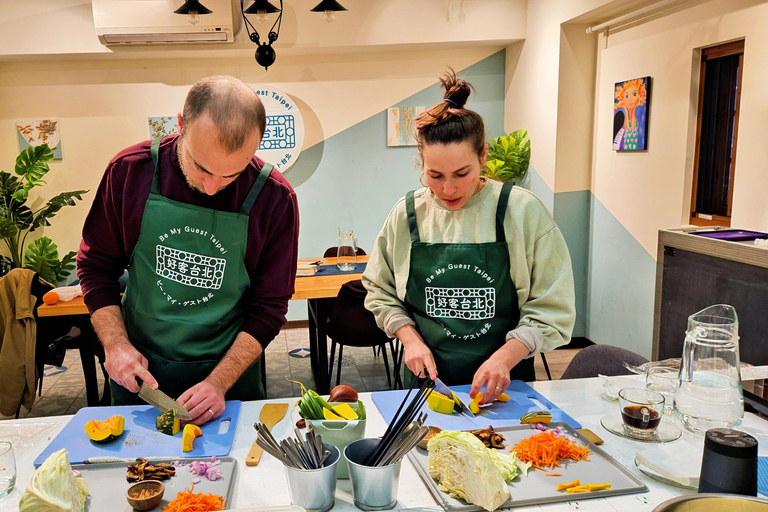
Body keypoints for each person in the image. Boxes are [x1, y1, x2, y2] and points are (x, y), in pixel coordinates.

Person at [77, 75, 299, 424]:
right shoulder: (129, 173)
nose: (212, 188)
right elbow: (96, 268)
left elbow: (269, 308)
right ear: (180, 125)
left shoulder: (275, 198)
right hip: (140, 369)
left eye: (231, 175)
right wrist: (116, 345)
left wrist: (219, 382)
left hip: (228, 376)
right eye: (201, 168)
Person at [362, 70, 575, 404]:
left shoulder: (522, 212)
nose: (448, 189)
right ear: (421, 161)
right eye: (434, 175)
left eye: (462, 174)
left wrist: (505, 357)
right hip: (426, 386)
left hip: (507, 386)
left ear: (483, 156)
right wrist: (410, 339)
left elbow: (553, 308)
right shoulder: (407, 215)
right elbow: (380, 291)